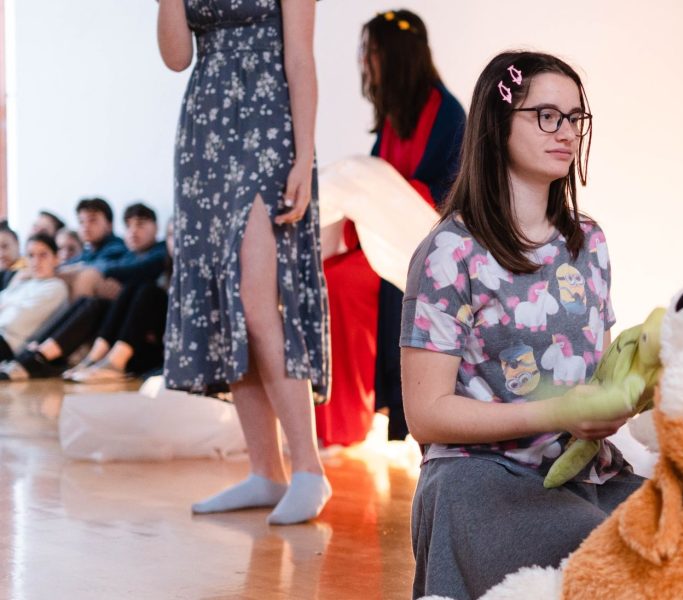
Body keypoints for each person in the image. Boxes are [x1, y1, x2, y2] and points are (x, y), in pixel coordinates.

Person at [401, 51, 639, 599]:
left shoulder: (589, 240)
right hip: (480, 479)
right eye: (547, 116)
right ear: (498, 123)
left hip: (585, 474)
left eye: (575, 118)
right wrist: (557, 413)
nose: (567, 132)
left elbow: (599, 375)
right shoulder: (449, 251)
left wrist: (629, 393)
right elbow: (426, 415)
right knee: (611, 560)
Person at [158, 0, 331, 526]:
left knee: (258, 302)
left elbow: (300, 57)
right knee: (225, 300)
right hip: (204, 132)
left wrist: (304, 155)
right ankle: (265, 470)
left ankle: (309, 469)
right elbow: (176, 57)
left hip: (269, 126)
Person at [316, 8, 466, 447]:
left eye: (372, 51)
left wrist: (385, 197)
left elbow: (444, 196)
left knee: (341, 283)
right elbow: (373, 187)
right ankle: (334, 423)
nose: (364, 61)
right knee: (326, 276)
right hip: (384, 244)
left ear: (397, 55)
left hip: (423, 251)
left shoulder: (447, 115)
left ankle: (350, 422)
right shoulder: (395, 117)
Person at [1, 204, 171, 381]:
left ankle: (107, 363)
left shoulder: (146, 251)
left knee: (140, 290)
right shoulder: (121, 254)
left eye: (140, 224)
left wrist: (68, 270)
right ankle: (86, 359)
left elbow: (125, 269)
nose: (133, 231)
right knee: (93, 301)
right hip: (123, 328)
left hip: (147, 336)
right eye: (128, 226)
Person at [0, 234, 68, 363]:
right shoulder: (24, 283)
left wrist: (6, 306)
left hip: (11, 344)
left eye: (43, 255)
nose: (36, 261)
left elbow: (16, 321)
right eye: (31, 256)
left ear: (56, 259)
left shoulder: (56, 287)